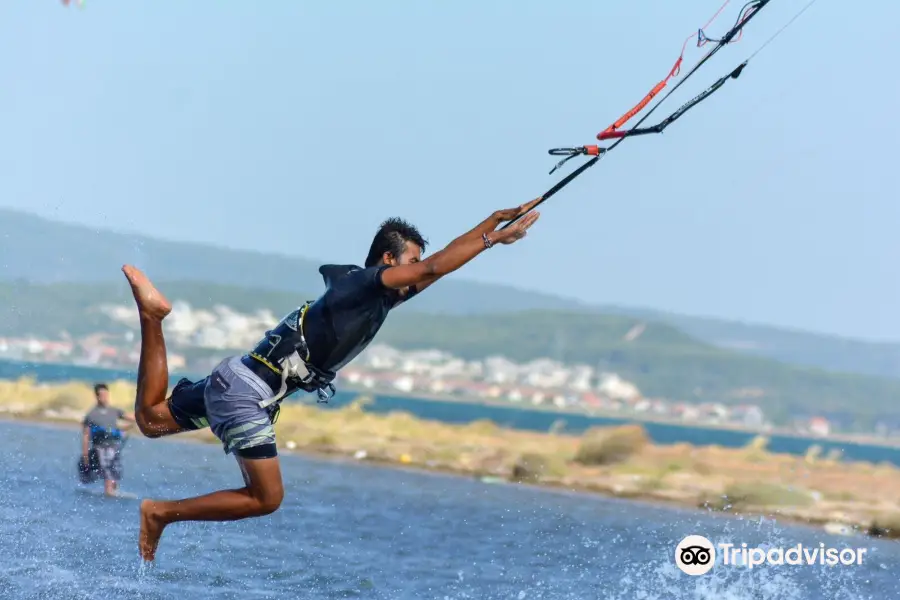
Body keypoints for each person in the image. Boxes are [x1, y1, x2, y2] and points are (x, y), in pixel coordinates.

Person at [123, 199, 542, 561]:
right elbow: (433, 267)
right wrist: (495, 239)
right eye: (410, 264)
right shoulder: (361, 283)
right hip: (248, 394)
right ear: (388, 261)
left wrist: (492, 221)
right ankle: (159, 513)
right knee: (266, 498)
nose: (419, 275)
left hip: (237, 377)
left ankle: (151, 316)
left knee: (152, 420)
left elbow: (437, 269)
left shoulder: (371, 300)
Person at [81, 383, 136, 497]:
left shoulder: (115, 411)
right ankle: (109, 493)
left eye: (106, 394)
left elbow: (132, 418)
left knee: (115, 472)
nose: (105, 397)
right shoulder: (91, 415)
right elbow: (86, 436)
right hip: (99, 447)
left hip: (114, 446)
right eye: (102, 395)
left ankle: (111, 491)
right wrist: (85, 456)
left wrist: (143, 416)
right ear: (97, 396)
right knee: (106, 470)